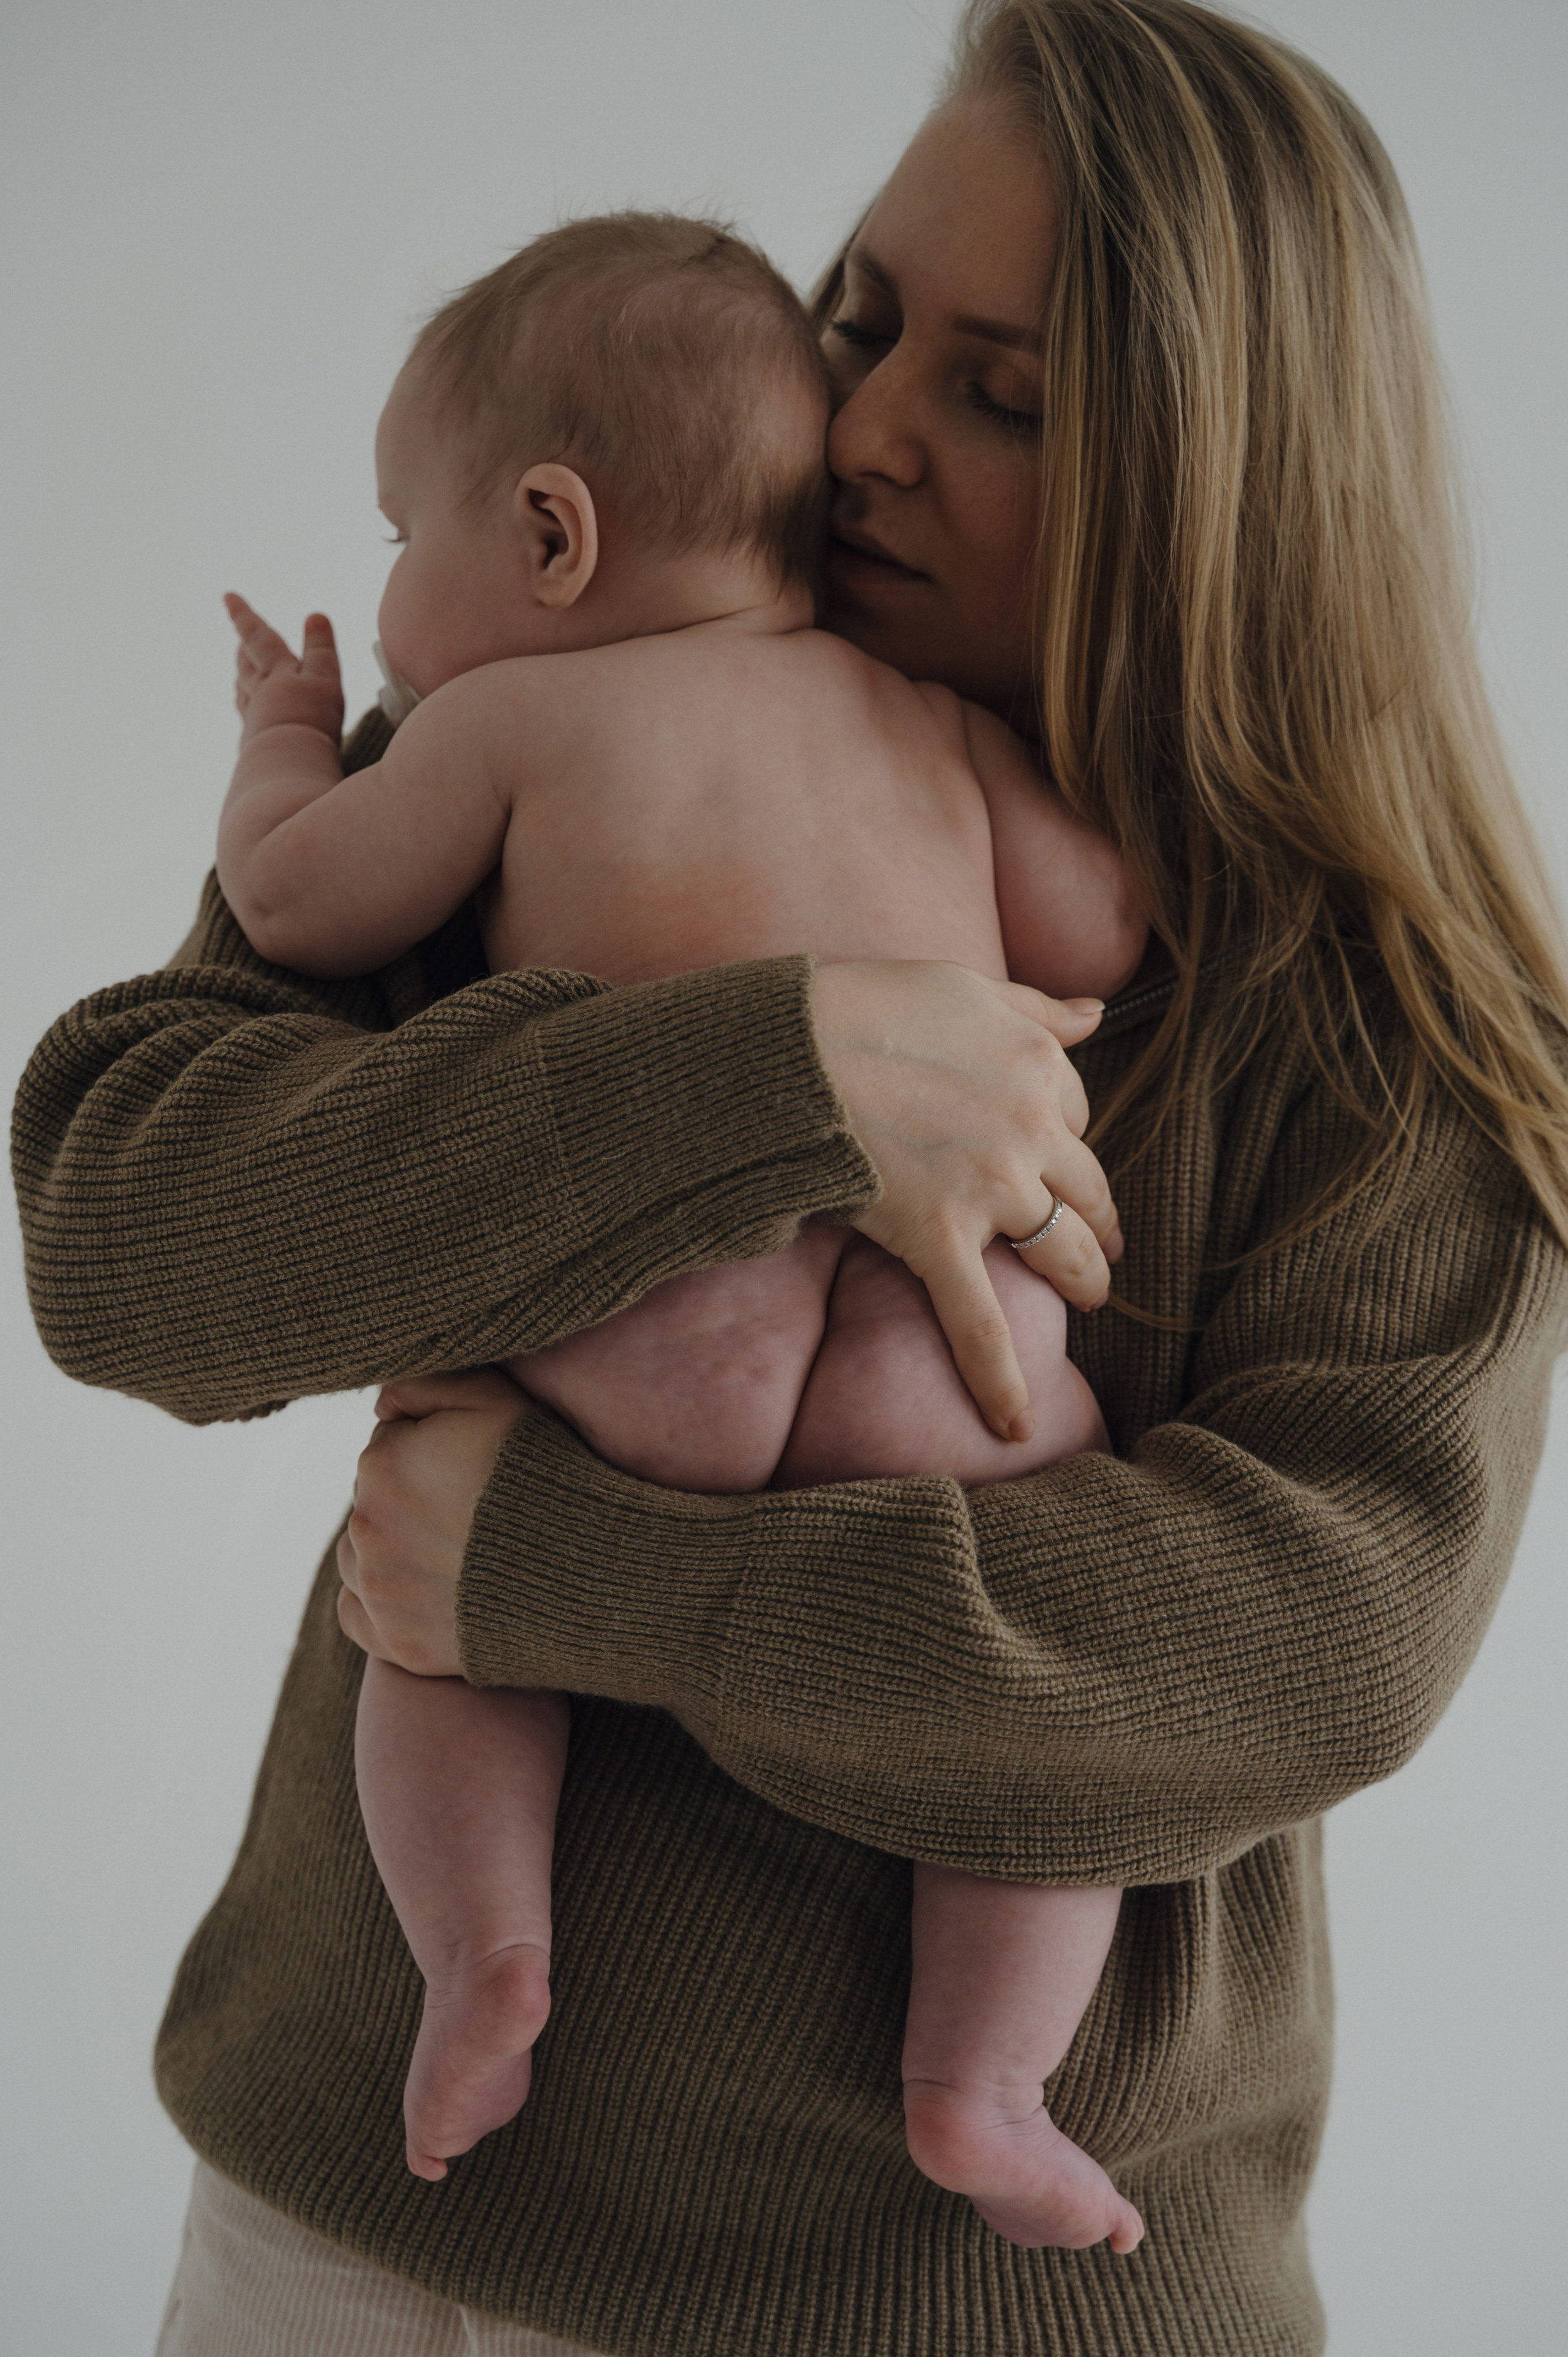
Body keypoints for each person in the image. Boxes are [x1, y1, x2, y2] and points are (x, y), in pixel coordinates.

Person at [13, 2, 1567, 2352]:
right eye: (859, 323)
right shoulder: (547, 712)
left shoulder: (1397, 1024)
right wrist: (777, 1071)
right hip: (342, 2215)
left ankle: (969, 2078)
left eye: (1002, 391)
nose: (859, 435)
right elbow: (128, 1237)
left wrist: (567, 1576)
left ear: (1229, 482)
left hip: (945, 2308)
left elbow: (1295, 1647)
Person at [216, 209, 1147, 2247]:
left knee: (444, 1589)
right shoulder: (935, 729)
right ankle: (987, 2083)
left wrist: (284, 744)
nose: (383, 607)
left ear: (551, 539)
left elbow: (297, 909)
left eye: (398, 534)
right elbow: (1094, 932)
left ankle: (482, 1964)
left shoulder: (503, 727)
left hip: (666, 1324)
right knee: (1048, 1697)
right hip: (952, 1328)